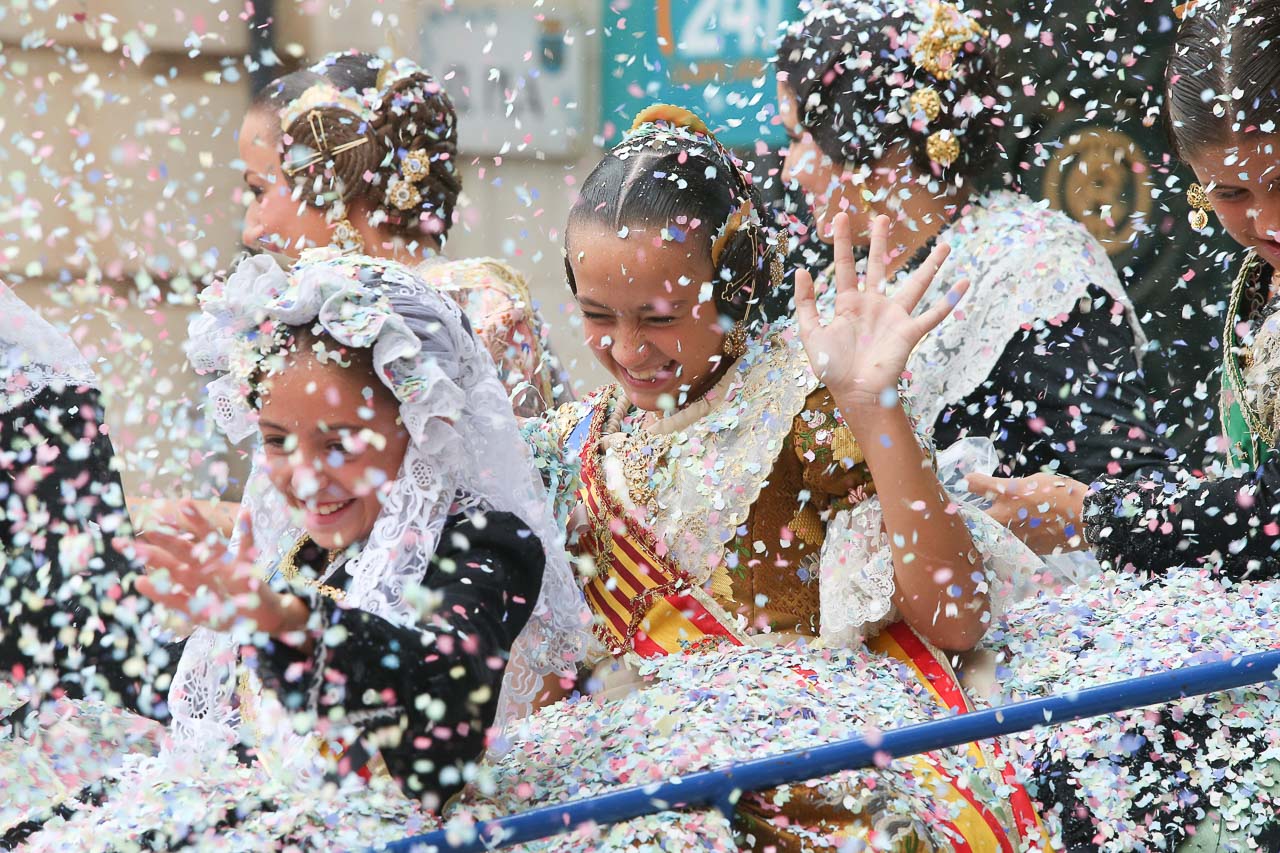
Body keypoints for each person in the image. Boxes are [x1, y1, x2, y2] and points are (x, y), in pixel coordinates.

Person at [452, 104, 1055, 850]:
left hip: (807, 780)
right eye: (598, 315)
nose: (629, 348)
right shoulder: (571, 447)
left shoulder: (810, 402)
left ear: (735, 279)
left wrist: (876, 411)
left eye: (661, 316)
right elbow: (553, 684)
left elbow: (959, 620)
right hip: (630, 790)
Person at [14, 253, 590, 847]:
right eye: (276, 441)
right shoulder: (300, 553)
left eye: (338, 443)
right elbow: (219, 701)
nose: (305, 476)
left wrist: (284, 622)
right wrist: (81, 622)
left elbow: (440, 692)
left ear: (418, 422)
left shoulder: (486, 545)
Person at [964, 1, 1280, 844]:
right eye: (1233, 193)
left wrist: (1092, 513)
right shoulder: (1261, 277)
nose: (1268, 221)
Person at [774, 0, 1174, 482]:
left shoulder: (1034, 268)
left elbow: (1127, 496)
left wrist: (993, 524)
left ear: (871, 143)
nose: (789, 169)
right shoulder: (845, 278)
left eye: (800, 137)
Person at [240, 50, 568, 418]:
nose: (252, 229)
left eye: (258, 190)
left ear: (333, 175)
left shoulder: (480, 309)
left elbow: (523, 469)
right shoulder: (315, 313)